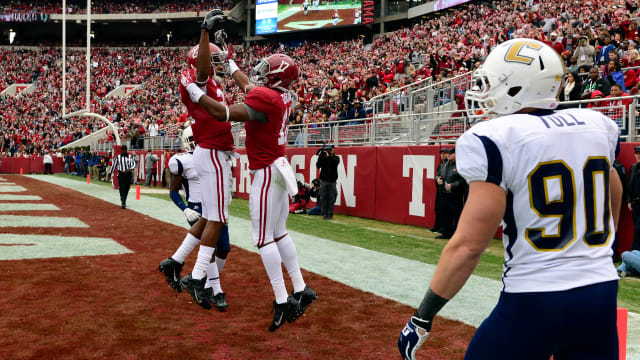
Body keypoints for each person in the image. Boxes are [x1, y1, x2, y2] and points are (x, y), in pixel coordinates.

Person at [398, 39, 622, 360]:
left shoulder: (496, 138)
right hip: (600, 291)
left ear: (517, 88)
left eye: (491, 84)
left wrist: (422, 316)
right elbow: (612, 189)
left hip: (535, 298)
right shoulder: (596, 124)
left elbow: (468, 246)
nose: (483, 94)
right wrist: (604, 249)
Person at [183, 24, 317, 330]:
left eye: (266, 70)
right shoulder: (280, 96)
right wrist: (230, 64)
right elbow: (249, 87)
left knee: (262, 238)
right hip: (278, 166)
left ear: (276, 78)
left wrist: (194, 92)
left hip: (267, 171)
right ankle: (300, 288)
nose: (259, 73)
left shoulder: (266, 99)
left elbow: (221, 113)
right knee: (280, 231)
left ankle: (283, 301)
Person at [175, 10, 235, 311]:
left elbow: (208, 68)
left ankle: (178, 264)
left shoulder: (209, 81)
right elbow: (201, 71)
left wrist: (222, 48)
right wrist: (205, 32)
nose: (218, 64)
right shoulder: (198, 78)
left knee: (214, 218)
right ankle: (199, 278)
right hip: (212, 152)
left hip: (213, 151)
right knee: (217, 219)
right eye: (214, 59)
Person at [158, 126, 230, 311]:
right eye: (192, 139)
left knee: (224, 247)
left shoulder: (213, 156)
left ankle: (186, 269)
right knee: (211, 248)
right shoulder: (182, 161)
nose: (196, 142)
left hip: (216, 206)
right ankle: (216, 289)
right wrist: (185, 209)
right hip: (197, 209)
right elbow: (173, 191)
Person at [316, 144, 340, 220]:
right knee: (323, 198)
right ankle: (324, 214)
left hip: (332, 181)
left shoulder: (336, 158)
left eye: (333, 149)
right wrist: (321, 156)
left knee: (331, 198)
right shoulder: (324, 157)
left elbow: (334, 163)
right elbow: (318, 165)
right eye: (331, 149)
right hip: (323, 181)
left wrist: (329, 156)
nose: (333, 150)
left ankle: (330, 214)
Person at [431, 148, 449, 234]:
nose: (442, 155)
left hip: (446, 190)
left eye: (444, 153)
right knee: (437, 209)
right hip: (439, 190)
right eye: (441, 153)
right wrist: (437, 179)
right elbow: (437, 175)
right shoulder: (440, 165)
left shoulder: (449, 165)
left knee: (444, 210)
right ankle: (436, 226)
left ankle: (443, 227)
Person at [626, 145, 640, 251]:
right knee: (637, 228)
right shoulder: (633, 167)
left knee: (638, 229)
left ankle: (634, 252)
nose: (638, 155)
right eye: (636, 153)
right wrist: (629, 200)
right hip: (635, 204)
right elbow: (629, 185)